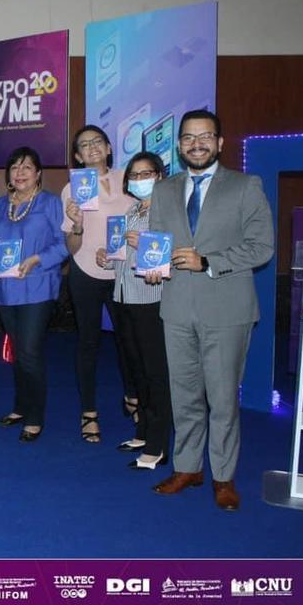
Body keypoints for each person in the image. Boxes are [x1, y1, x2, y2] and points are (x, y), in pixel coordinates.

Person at [148, 110, 274, 510]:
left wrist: (209, 262)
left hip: (227, 310)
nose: (196, 144)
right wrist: (153, 265)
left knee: (222, 399)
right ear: (179, 145)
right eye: (188, 137)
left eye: (205, 136)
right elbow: (157, 242)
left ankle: (223, 476)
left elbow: (262, 247)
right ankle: (188, 467)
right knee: (184, 395)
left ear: (219, 142)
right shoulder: (164, 190)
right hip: (176, 308)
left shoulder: (245, 185)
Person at [0, 147, 68, 442]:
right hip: (5, 289)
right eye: (15, 167)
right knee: (18, 352)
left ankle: (35, 416)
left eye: (27, 167)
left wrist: (38, 259)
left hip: (38, 287)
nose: (20, 173)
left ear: (38, 173)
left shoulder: (50, 203)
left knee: (29, 351)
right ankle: (20, 406)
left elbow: (64, 244)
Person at [95, 152, 171, 469]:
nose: (140, 180)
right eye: (134, 175)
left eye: (146, 174)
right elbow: (121, 255)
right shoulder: (131, 211)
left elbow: (171, 253)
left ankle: (158, 444)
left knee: (156, 372)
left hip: (152, 298)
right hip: (124, 296)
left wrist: (146, 245)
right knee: (135, 368)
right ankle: (143, 431)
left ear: (160, 176)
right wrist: (106, 257)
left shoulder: (168, 212)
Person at [61, 125, 136, 443]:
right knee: (88, 343)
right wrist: (77, 224)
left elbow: (144, 223)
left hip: (125, 272)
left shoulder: (130, 179)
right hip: (86, 272)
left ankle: (133, 397)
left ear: (108, 148)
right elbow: (71, 247)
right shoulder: (72, 189)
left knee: (129, 341)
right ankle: (89, 412)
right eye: (84, 145)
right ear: (78, 156)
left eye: (97, 142)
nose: (91, 147)